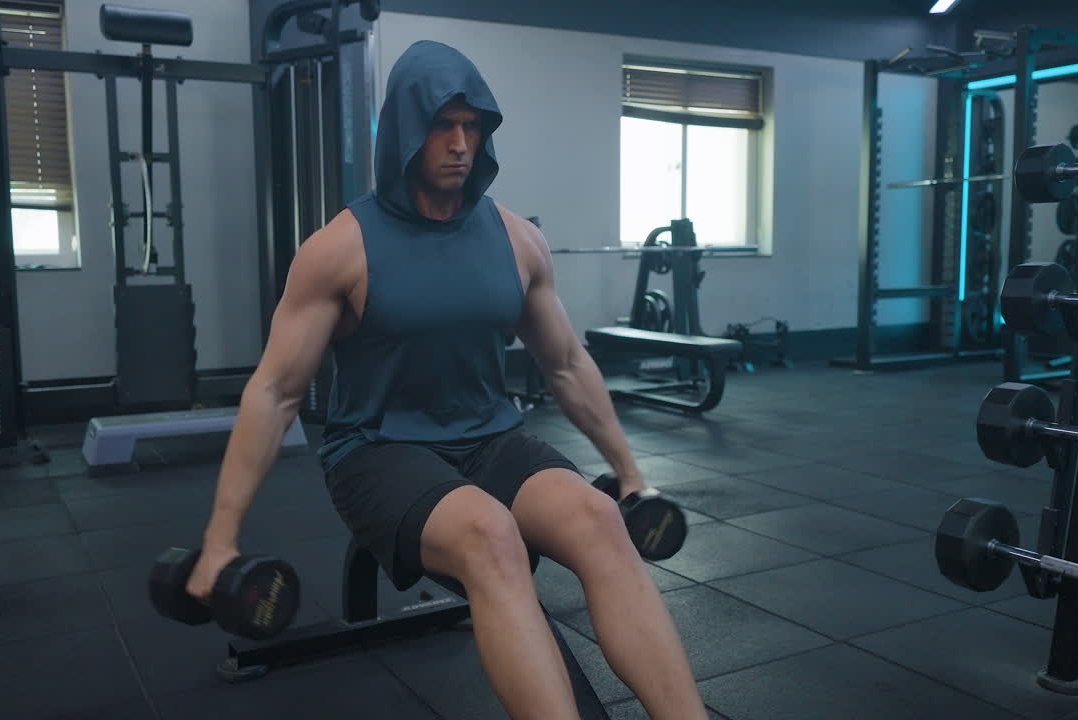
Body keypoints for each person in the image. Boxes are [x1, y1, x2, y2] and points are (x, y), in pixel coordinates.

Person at [187, 40, 710, 720]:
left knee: (598, 518)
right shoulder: (340, 249)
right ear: (406, 129)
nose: (461, 144)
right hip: (377, 452)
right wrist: (222, 540)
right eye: (442, 125)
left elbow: (566, 364)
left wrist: (628, 472)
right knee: (492, 538)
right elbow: (276, 392)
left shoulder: (517, 239)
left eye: (473, 126)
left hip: (491, 439)